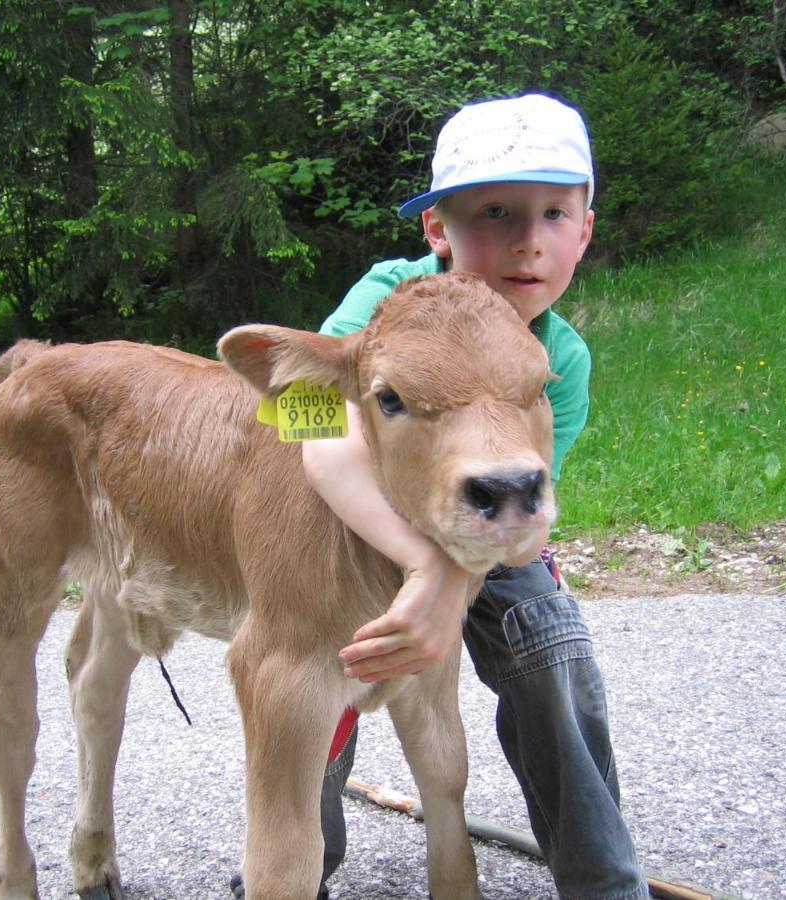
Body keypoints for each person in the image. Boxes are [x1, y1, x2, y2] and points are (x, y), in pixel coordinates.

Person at [232, 94, 646, 900]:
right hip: (366, 525)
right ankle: (298, 858)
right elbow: (307, 423)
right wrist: (422, 567)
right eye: (496, 211)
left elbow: (522, 512)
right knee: (324, 667)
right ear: (437, 230)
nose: (529, 240)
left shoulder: (560, 356)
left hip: (492, 545)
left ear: (585, 232)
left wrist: (452, 587)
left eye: (556, 214)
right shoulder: (384, 299)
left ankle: (602, 878)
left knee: (551, 658)